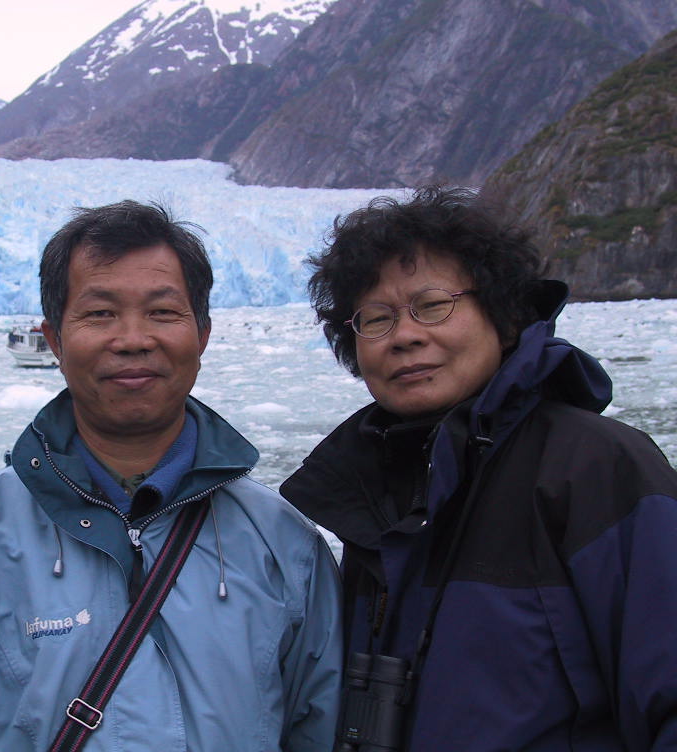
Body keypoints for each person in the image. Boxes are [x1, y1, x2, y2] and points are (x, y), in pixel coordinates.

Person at [0, 200, 342, 751]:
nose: (133, 339)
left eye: (163, 312)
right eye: (99, 314)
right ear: (54, 340)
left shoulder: (283, 546)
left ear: (203, 334)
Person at [281, 186, 677, 751]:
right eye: (376, 318)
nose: (405, 335)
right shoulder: (372, 494)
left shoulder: (598, 470)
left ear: (504, 316)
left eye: (433, 305)